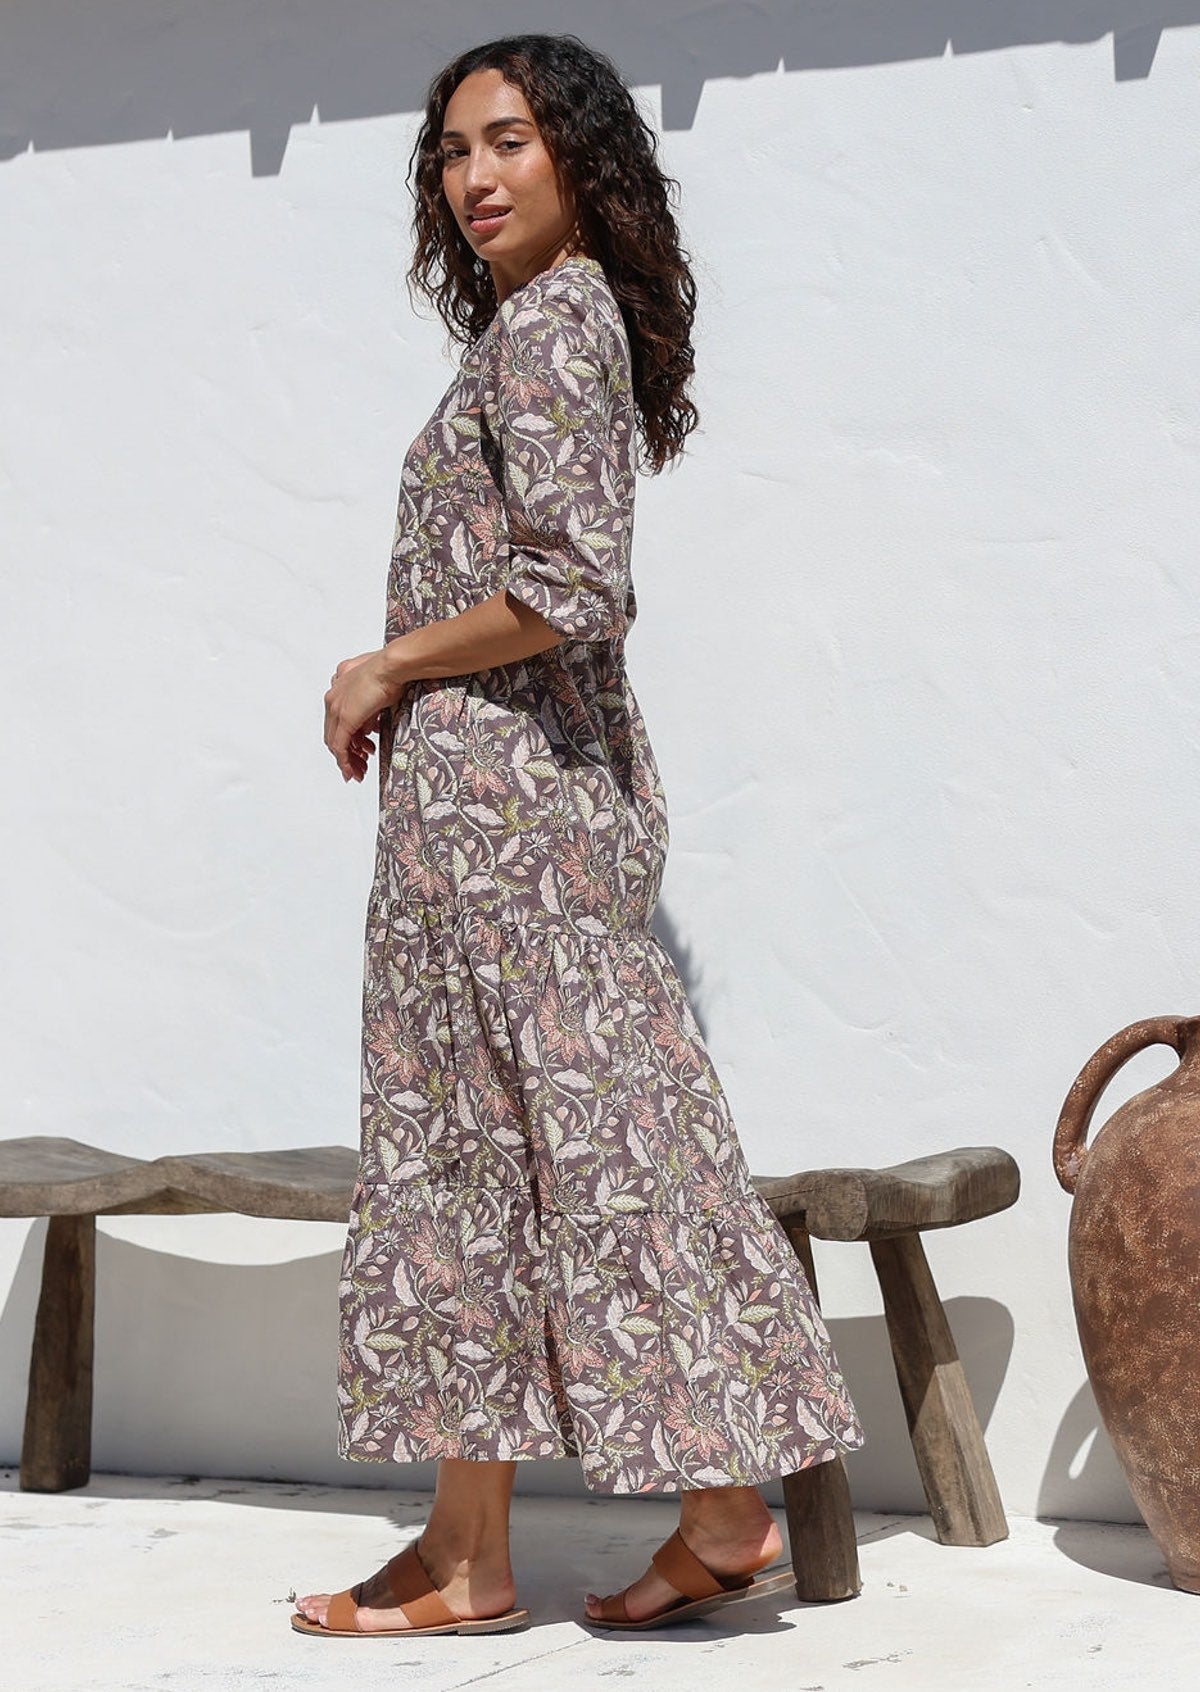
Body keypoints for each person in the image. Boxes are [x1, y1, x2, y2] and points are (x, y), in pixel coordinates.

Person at [292, 31, 864, 1640]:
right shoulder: (531, 331)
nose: (473, 178)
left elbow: (571, 586)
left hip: (517, 823)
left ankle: (723, 1497)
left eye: (509, 143)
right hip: (471, 822)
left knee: (610, 1148)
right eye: (451, 155)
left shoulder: (555, 326)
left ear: (580, 159)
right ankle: (474, 1548)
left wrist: (386, 661)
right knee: (471, 1159)